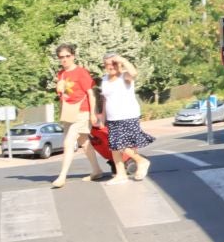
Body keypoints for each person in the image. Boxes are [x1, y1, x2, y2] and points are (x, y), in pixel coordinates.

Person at [50, 43, 111, 187]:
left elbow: (91, 93)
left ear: (73, 56)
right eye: (61, 57)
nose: (65, 59)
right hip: (69, 112)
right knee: (84, 141)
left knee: (68, 142)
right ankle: (96, 170)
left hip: (82, 110)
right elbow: (63, 93)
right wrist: (59, 89)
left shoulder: (81, 72)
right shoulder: (61, 74)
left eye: (67, 56)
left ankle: (62, 176)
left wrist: (92, 114)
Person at [98, 55, 153, 180]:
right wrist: (102, 116)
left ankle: (141, 161)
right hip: (112, 117)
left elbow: (134, 73)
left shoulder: (125, 76)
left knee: (121, 144)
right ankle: (121, 174)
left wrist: (122, 60)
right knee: (114, 146)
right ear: (104, 66)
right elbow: (105, 99)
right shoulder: (105, 79)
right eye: (108, 64)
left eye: (114, 63)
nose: (111, 66)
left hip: (128, 115)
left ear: (120, 65)